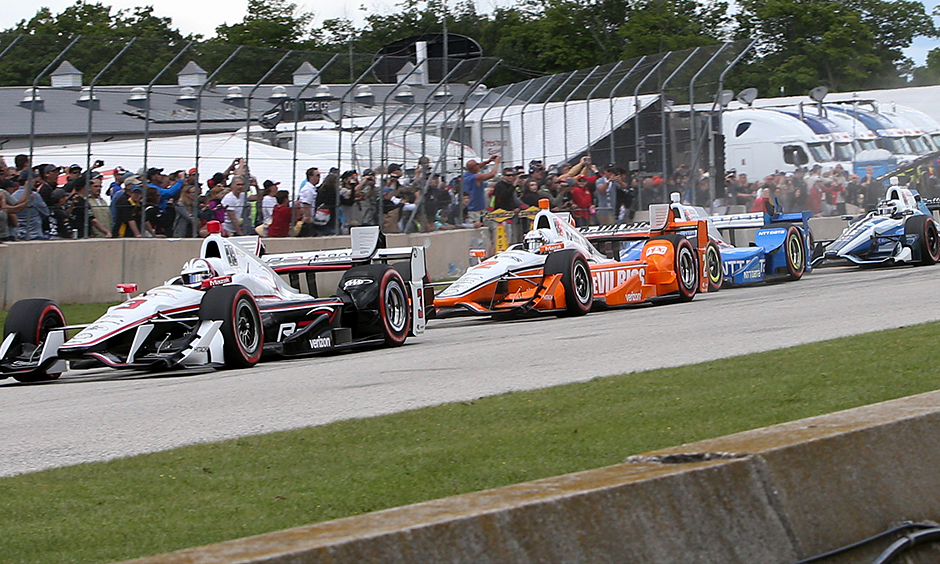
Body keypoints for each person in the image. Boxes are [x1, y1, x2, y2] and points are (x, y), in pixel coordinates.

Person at [462, 155, 501, 227]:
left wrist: (488, 161)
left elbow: (478, 166)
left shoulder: (467, 174)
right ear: (473, 168)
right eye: (476, 165)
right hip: (474, 209)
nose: (478, 166)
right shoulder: (474, 177)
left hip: (479, 208)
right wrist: (497, 163)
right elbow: (492, 174)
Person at [297, 167, 320, 237]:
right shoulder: (308, 189)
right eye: (317, 175)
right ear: (310, 176)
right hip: (308, 220)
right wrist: (309, 218)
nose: (319, 178)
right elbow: (306, 205)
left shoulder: (312, 188)